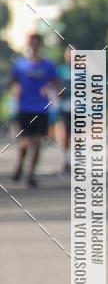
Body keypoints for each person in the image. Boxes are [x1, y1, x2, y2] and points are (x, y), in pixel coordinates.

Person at [9, 32, 60, 187]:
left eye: (37, 43)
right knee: (24, 143)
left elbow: (57, 84)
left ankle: (30, 174)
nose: (34, 46)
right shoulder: (19, 64)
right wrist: (15, 88)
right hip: (24, 108)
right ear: (28, 44)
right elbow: (12, 83)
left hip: (41, 109)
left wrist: (50, 88)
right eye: (31, 42)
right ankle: (19, 166)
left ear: (40, 45)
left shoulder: (48, 65)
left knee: (37, 142)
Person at [56, 44, 75, 174]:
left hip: (80, 107)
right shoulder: (60, 71)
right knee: (64, 135)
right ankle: (65, 160)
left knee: (79, 136)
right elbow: (54, 86)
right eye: (69, 54)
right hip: (64, 107)